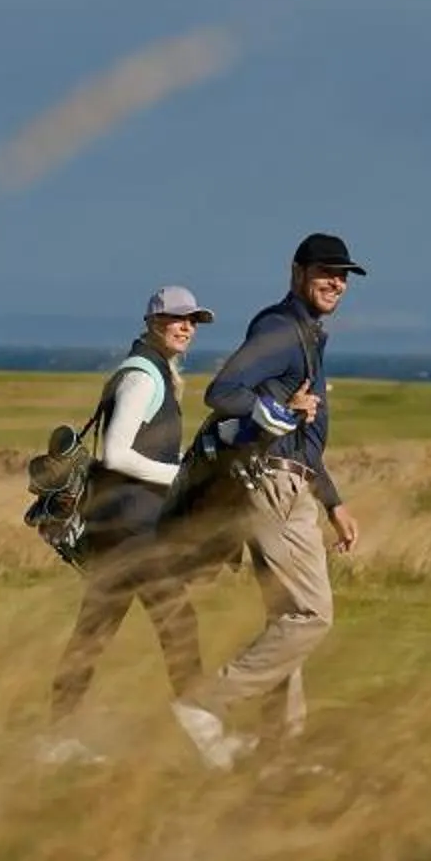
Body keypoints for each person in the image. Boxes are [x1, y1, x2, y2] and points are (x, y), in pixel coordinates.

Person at [163, 232, 366, 770]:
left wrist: (332, 501)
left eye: (343, 275)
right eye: (326, 271)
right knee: (310, 616)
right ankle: (205, 706)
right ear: (297, 271)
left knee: (286, 618)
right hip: (272, 482)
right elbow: (223, 391)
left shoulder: (305, 332)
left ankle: (280, 751)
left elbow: (303, 432)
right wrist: (276, 405)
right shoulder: (280, 327)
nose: (336, 282)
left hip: (286, 479)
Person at [38, 285, 216, 765]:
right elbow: (114, 454)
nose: (186, 328)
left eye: (193, 321)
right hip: (135, 531)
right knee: (178, 625)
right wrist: (181, 474)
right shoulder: (142, 376)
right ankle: (205, 736)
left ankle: (57, 737)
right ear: (152, 322)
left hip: (116, 528)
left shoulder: (151, 370)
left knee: (94, 632)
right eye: (177, 319)